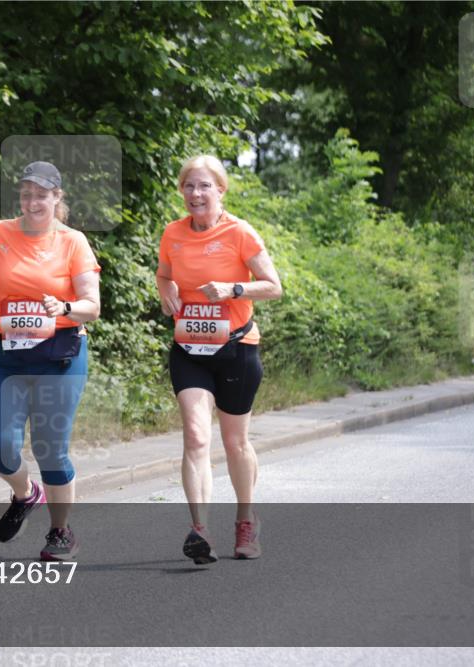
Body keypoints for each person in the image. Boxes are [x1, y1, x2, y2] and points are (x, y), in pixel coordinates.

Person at [0, 161, 101, 561]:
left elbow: (92, 307)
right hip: (6, 352)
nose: (32, 201)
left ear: (57, 198)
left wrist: (65, 306)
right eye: (25, 193)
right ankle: (26, 494)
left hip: (59, 354)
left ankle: (61, 532)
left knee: (50, 448)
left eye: (41, 194)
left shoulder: (73, 242)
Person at [156, 155, 283, 562]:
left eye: (204, 186)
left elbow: (273, 286)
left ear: (220, 190)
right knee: (195, 436)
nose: (196, 194)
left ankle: (246, 520)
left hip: (236, 349)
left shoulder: (240, 232)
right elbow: (164, 274)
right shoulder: (172, 234)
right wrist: (166, 291)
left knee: (234, 442)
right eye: (189, 186)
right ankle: (200, 531)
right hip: (189, 349)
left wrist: (232, 289)